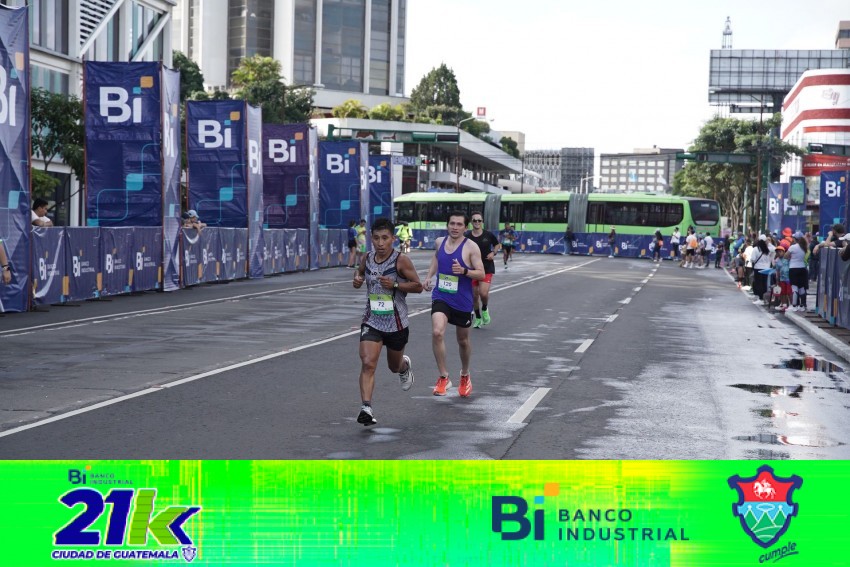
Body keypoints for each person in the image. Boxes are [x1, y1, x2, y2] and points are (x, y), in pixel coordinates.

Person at [352, 218, 423, 426]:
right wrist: (357, 279)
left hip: (396, 324)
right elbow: (359, 273)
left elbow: (418, 286)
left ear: (393, 238)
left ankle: (404, 366)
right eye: (376, 238)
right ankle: (366, 407)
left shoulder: (401, 261)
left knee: (394, 366)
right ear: (371, 238)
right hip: (372, 320)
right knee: (368, 363)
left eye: (385, 238)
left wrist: (395, 285)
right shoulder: (367, 257)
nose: (380, 243)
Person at [423, 211, 485, 398]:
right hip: (441, 295)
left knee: (463, 341)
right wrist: (428, 276)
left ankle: (465, 375)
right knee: (437, 332)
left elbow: (481, 273)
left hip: (462, 300)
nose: (455, 227)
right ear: (447, 225)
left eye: (459, 224)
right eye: (452, 223)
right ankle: (444, 377)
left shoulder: (471, 247)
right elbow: (436, 258)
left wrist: (465, 271)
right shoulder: (439, 242)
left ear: (465, 228)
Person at [464, 211, 500, 328]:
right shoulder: (467, 236)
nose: (477, 222)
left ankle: (484, 308)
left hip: (486, 268)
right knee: (474, 296)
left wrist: (493, 253)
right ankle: (478, 317)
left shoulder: (488, 235)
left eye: (479, 220)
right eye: (475, 220)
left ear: (482, 222)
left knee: (483, 293)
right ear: (471, 222)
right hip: (472, 269)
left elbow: (497, 244)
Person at [787, 233, 809, 311]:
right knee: (802, 287)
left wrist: (791, 257)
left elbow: (786, 255)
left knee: (794, 287)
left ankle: (794, 306)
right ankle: (802, 305)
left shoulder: (793, 247)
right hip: (802, 268)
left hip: (793, 268)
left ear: (795, 239)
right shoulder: (804, 247)